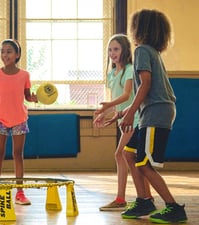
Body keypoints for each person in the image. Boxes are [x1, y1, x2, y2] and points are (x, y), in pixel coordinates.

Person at [109, 9, 187, 223]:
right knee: (129, 153)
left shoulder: (142, 50)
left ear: (139, 28)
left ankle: (173, 207)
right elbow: (147, 90)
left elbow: (146, 84)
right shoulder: (151, 51)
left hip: (156, 113)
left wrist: (130, 112)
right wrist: (124, 112)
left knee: (143, 163)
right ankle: (144, 200)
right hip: (150, 111)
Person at [94, 34, 152, 211]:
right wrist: (109, 113)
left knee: (121, 155)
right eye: (110, 49)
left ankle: (124, 198)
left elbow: (127, 95)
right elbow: (120, 101)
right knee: (128, 157)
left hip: (135, 119)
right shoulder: (112, 73)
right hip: (124, 119)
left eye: (116, 49)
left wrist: (106, 108)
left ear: (125, 50)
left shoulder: (130, 69)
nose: (112, 53)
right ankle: (143, 197)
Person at [0, 39, 38, 205]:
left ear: (17, 54)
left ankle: (20, 192)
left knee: (18, 155)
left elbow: (26, 95)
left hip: (19, 119)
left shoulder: (24, 75)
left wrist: (32, 98)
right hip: (0, 119)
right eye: (2, 51)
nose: (5, 55)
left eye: (9, 51)